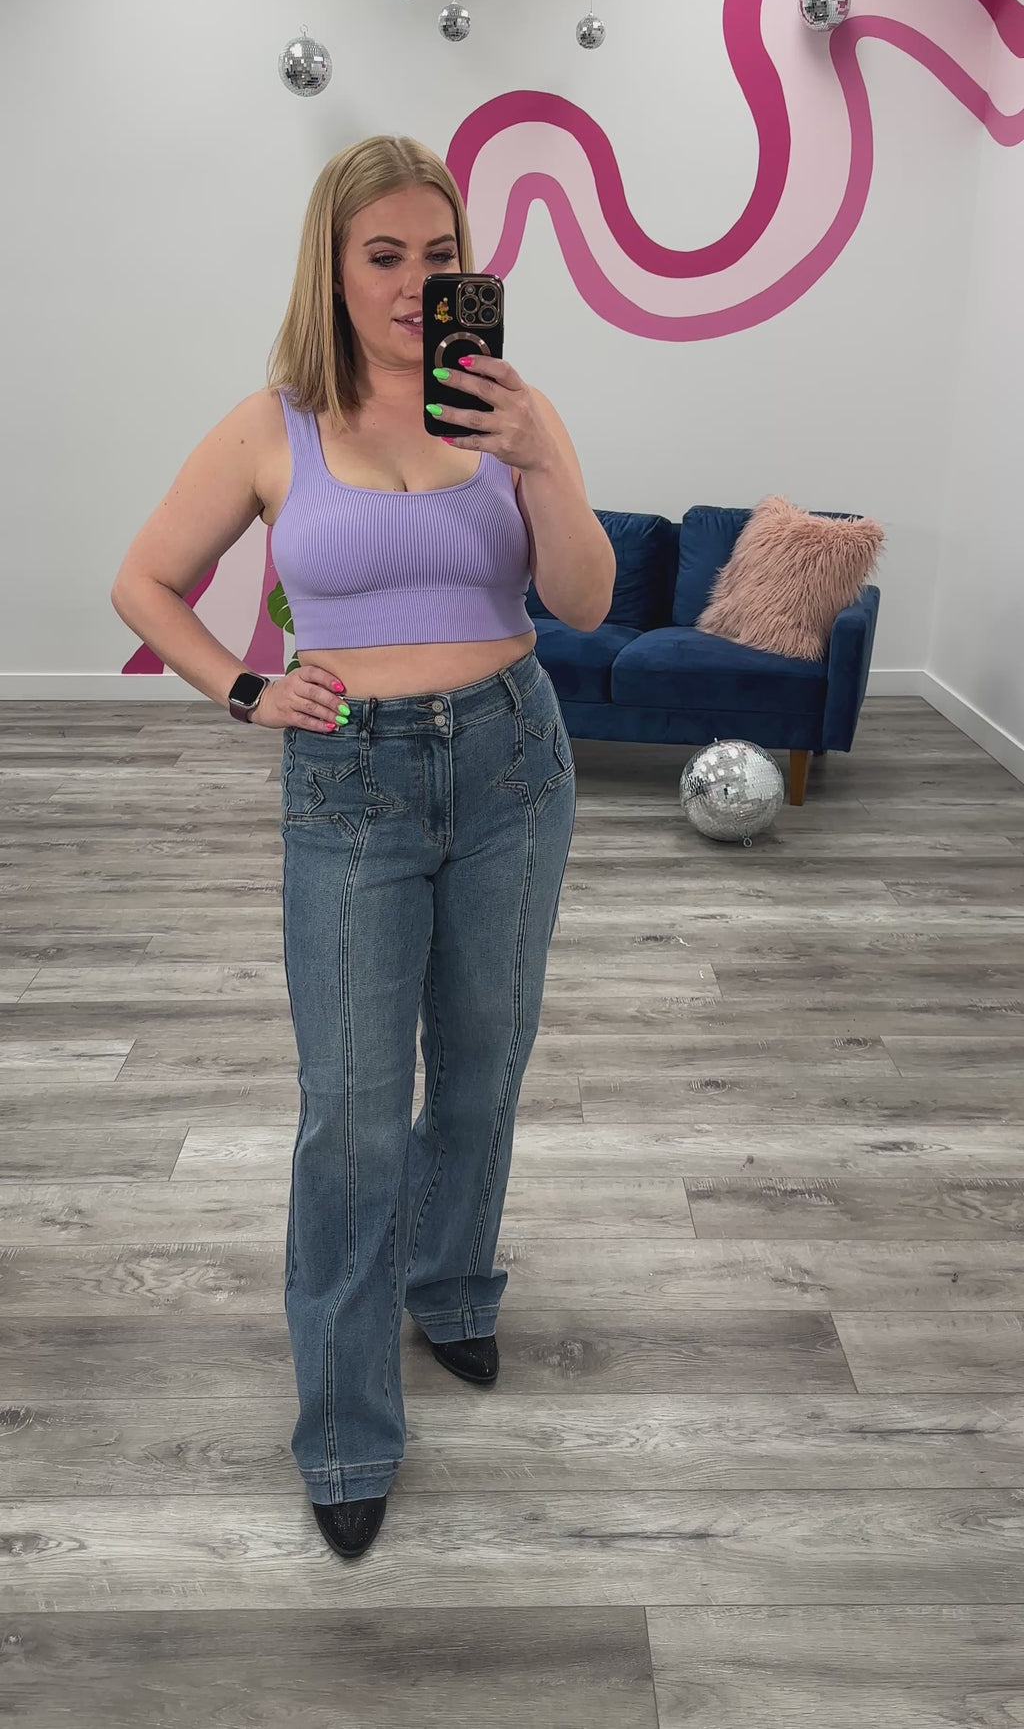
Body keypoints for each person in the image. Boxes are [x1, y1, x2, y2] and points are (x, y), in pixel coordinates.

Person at [111, 134, 617, 1561]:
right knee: (349, 1109)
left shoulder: (512, 408)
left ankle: (450, 1289)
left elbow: (585, 600)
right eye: (384, 256)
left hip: (514, 760)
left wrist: (539, 459)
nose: (412, 283)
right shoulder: (273, 425)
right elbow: (145, 580)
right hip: (350, 782)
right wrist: (246, 688)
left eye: (439, 256)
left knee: (484, 1062)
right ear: (333, 269)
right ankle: (344, 1426)